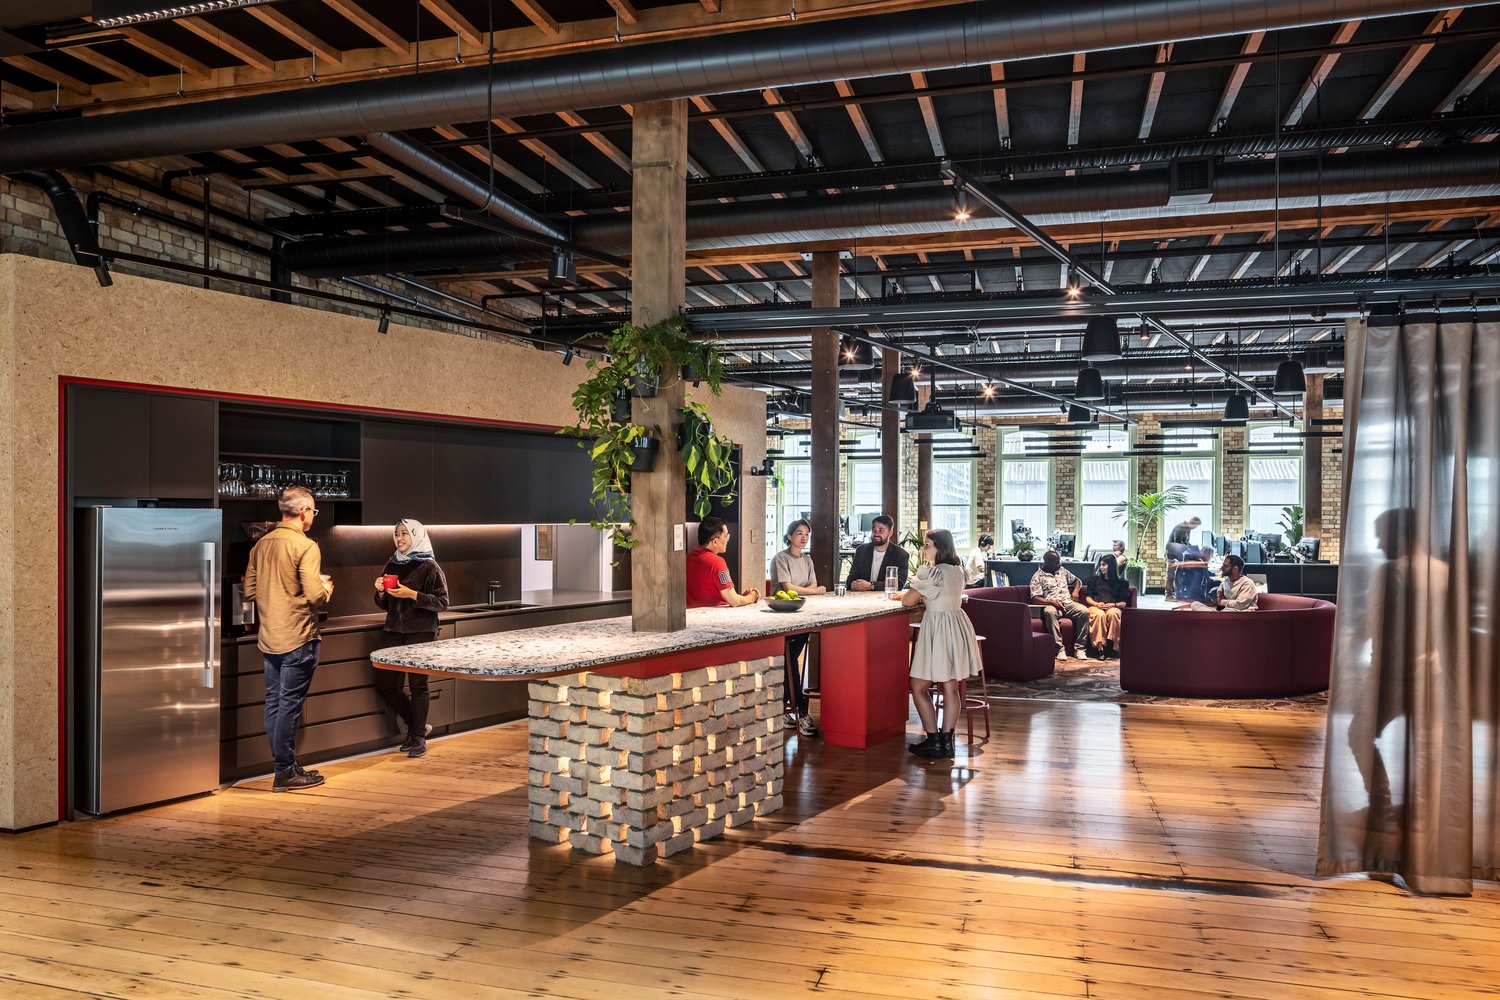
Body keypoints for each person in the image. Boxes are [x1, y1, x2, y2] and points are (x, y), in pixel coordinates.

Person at [242, 485, 333, 792]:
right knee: (290, 706)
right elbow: (314, 596)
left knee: (275, 704)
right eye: (314, 511)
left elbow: (250, 591)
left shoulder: (261, 544)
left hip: (269, 638)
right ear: (305, 511)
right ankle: (284, 772)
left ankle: (286, 765)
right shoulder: (306, 546)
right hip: (298, 637)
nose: (313, 517)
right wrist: (326, 587)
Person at [893, 529, 983, 761]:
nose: (923, 549)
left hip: (938, 628)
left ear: (939, 548)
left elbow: (907, 601)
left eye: (927, 544)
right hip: (957, 624)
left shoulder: (934, 572)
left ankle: (933, 740)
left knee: (918, 687)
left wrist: (916, 594)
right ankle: (947, 742)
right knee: (950, 688)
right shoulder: (958, 570)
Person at [372, 519, 449, 759]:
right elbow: (384, 604)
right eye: (396, 534)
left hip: (420, 632)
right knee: (386, 686)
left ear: (416, 535)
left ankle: (417, 737)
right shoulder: (392, 563)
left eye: (405, 533)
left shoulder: (429, 566)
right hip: (393, 630)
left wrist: (412, 594)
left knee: (418, 686)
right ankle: (417, 725)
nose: (400, 538)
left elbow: (442, 603)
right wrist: (380, 592)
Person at [769, 519, 826, 738]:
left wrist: (810, 590)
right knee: (789, 658)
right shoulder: (780, 558)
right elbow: (788, 588)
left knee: (789, 659)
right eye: (800, 533)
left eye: (807, 534)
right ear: (790, 536)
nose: (804, 537)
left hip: (802, 616)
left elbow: (809, 585)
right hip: (781, 616)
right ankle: (802, 712)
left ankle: (784, 706)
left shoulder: (808, 560)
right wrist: (816, 591)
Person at [1029, 549, 1090, 661]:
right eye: (1056, 562)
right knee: (1049, 612)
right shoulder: (1037, 576)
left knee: (1084, 611)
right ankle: (1059, 649)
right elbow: (1035, 598)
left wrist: (1075, 591)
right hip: (1051, 603)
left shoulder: (1061, 570)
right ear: (1047, 562)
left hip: (1068, 602)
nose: (1059, 564)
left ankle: (1080, 648)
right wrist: (1052, 602)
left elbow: (1077, 580)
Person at [687, 517, 761, 608]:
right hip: (714, 617)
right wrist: (751, 597)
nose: (727, 540)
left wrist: (741, 597)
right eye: (726, 536)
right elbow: (734, 601)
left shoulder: (687, 558)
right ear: (715, 542)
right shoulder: (717, 562)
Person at [846, 514, 909, 592]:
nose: (876, 533)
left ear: (890, 533)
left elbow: (899, 584)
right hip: (861, 598)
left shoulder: (901, 555)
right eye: (873, 529)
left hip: (887, 599)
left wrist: (871, 586)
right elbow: (850, 580)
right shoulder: (861, 550)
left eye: (881, 530)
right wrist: (853, 584)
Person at [1083, 555, 1130, 659]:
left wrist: (1113, 604)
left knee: (1114, 613)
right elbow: (1088, 598)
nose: (1101, 567)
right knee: (1099, 614)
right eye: (1100, 565)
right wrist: (1096, 604)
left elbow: (1123, 603)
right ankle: (1099, 648)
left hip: (1112, 607)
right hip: (1096, 606)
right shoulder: (1094, 579)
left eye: (1104, 565)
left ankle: (1115, 646)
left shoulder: (1122, 583)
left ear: (1111, 566)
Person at [1177, 553, 1258, 611]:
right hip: (1227, 610)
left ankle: (1214, 619)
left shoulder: (1247, 583)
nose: (1222, 568)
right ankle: (1214, 619)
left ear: (1235, 569)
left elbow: (1240, 605)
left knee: (1226, 612)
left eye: (1225, 566)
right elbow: (1220, 591)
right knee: (1195, 604)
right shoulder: (1226, 581)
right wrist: (1219, 594)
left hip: (1242, 614)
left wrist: (1221, 601)